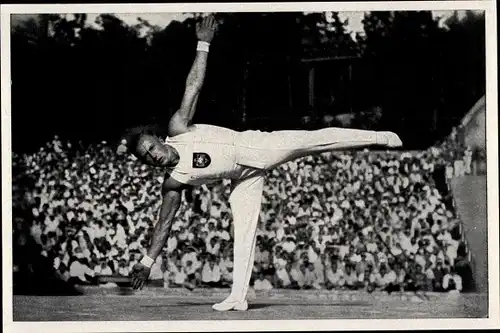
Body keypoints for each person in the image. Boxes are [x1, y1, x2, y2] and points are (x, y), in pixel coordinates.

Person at [126, 14, 403, 311]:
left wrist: (203, 44)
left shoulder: (178, 128)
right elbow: (164, 224)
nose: (152, 155)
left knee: (313, 140)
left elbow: (193, 86)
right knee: (244, 232)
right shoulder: (173, 181)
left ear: (157, 139)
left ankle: (378, 135)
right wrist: (147, 261)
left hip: (256, 146)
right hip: (243, 178)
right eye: (146, 157)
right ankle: (237, 297)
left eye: (150, 147)